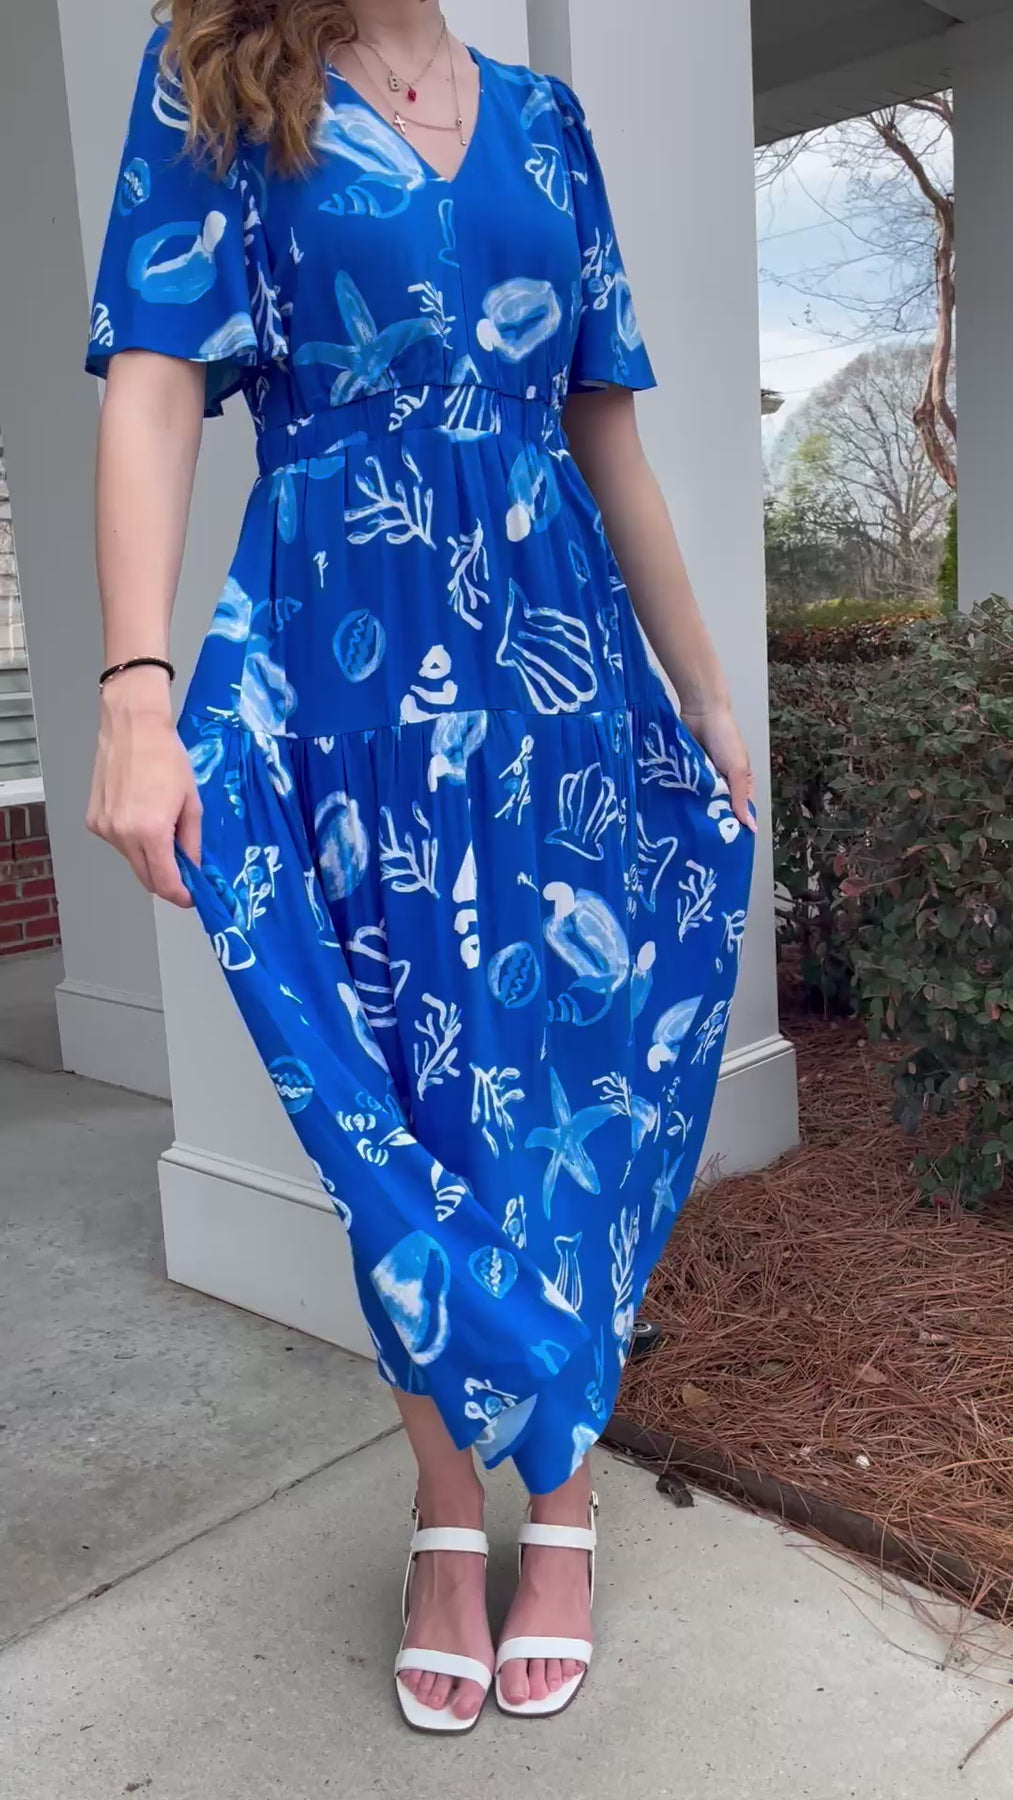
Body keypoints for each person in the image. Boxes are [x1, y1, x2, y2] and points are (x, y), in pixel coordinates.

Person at [85, 0, 756, 1733]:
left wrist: (700, 688)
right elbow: (155, 386)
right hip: (353, 664)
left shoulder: (544, 120)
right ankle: (449, 1513)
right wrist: (137, 690)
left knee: (561, 1072)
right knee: (404, 1101)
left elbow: (603, 429)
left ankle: (561, 1501)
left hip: (557, 669)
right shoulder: (221, 85)